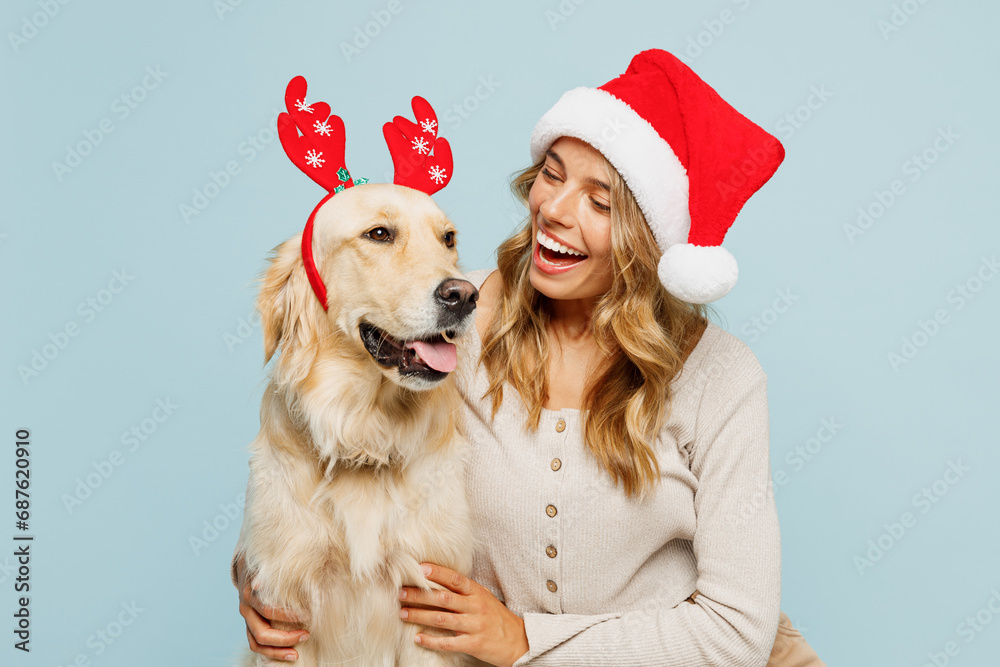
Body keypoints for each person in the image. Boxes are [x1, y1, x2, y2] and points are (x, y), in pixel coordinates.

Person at [233, 49, 825, 666]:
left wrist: (523, 640)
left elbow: (736, 632)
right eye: (552, 172)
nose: (555, 210)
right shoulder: (451, 328)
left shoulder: (722, 377)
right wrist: (262, 577)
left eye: (601, 203)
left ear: (651, 240)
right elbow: (325, 452)